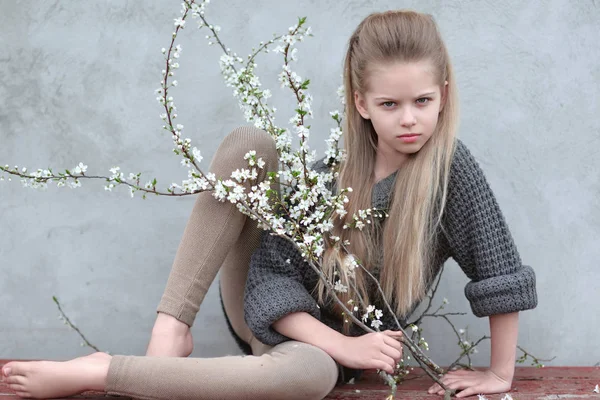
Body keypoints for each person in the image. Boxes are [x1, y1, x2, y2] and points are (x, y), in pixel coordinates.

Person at [0, 9, 537, 400]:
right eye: (389, 104)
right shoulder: (333, 174)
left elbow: (500, 273)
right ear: (361, 104)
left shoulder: (450, 171)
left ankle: (105, 370)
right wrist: (342, 345)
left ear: (443, 92)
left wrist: (500, 373)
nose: (410, 119)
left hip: (320, 356)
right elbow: (269, 278)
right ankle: (170, 330)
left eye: (423, 101)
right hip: (272, 314)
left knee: (305, 378)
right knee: (249, 146)